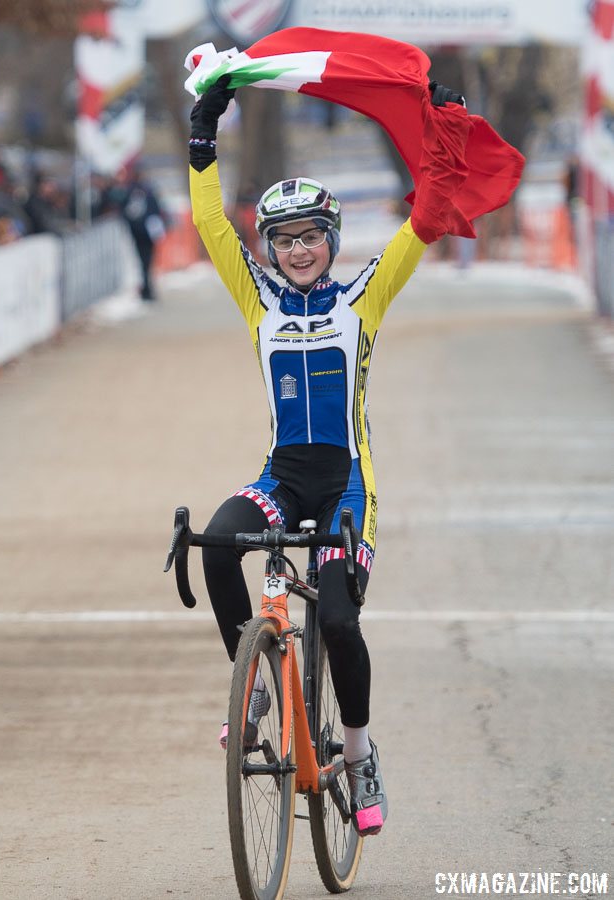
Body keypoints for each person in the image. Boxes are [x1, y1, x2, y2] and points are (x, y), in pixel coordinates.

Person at [187, 76, 471, 838]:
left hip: (347, 484)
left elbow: (423, 221)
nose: (298, 249)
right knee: (216, 545)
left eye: (310, 236)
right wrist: (203, 137)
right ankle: (252, 692)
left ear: (331, 242)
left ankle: (358, 748)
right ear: (271, 249)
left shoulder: (360, 302)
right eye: (284, 240)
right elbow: (210, 224)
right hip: (283, 477)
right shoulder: (260, 301)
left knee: (339, 624)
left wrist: (441, 133)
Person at [108, 165, 165, 301]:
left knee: (143, 262)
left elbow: (123, 210)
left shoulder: (130, 191)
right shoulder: (146, 191)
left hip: (138, 232)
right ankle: (146, 289)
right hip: (147, 232)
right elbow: (156, 210)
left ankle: (146, 289)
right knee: (146, 262)